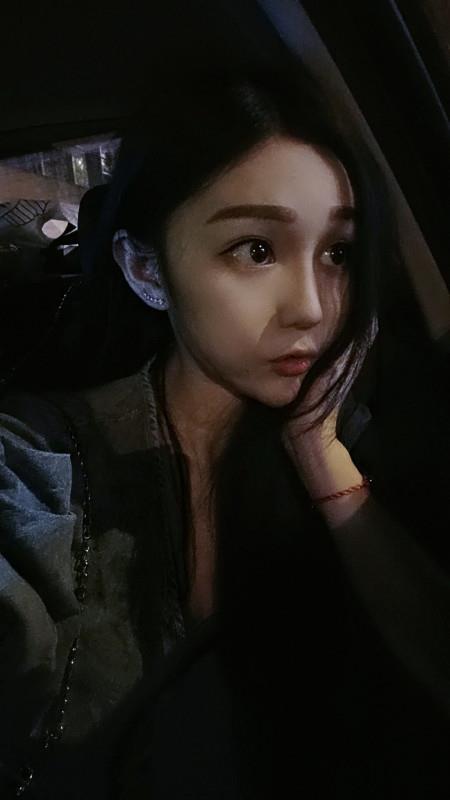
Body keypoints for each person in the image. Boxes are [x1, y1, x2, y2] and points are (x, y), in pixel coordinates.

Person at [1, 61, 450, 799]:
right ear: (146, 270)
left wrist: (319, 452)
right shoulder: (40, 459)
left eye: (337, 253)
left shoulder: (361, 429)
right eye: (256, 250)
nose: (311, 307)